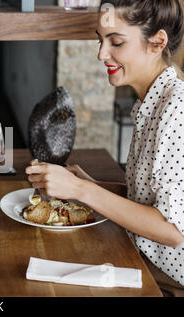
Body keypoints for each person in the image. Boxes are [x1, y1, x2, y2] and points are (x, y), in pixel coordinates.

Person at [26, 0, 184, 294]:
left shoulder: (176, 110)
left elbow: (173, 232)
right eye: (100, 39)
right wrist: (87, 183)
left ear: (157, 42)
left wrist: (80, 191)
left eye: (117, 42)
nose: (101, 54)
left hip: (166, 279)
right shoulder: (150, 101)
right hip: (140, 258)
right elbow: (147, 201)